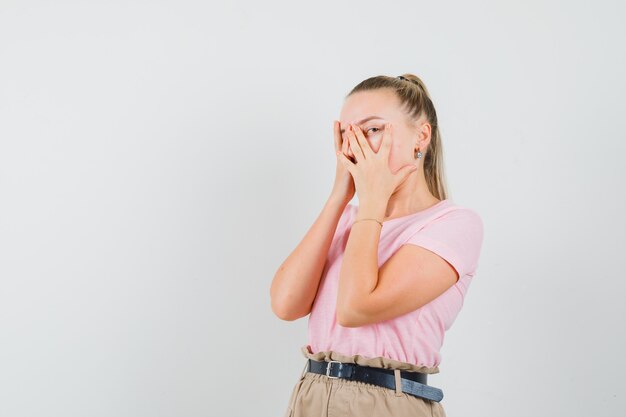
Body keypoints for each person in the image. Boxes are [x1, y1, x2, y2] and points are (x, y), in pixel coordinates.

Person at [270, 74, 484, 417]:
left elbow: (356, 307)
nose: (356, 146)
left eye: (372, 129)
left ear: (422, 136)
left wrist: (371, 200)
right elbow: (285, 304)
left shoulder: (453, 224)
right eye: (346, 134)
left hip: (386, 402)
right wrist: (340, 194)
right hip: (311, 393)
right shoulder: (347, 219)